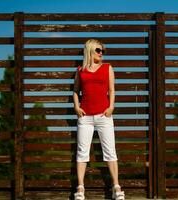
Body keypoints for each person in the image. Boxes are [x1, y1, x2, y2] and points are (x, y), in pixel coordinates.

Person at [73, 39, 125, 200]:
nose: (101, 53)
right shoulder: (80, 70)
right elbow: (75, 91)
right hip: (85, 117)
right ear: (89, 50)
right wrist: (76, 107)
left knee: (110, 152)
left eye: (102, 50)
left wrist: (111, 107)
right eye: (98, 50)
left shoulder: (108, 68)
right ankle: (80, 188)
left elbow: (112, 89)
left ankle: (116, 187)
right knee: (82, 153)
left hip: (104, 116)